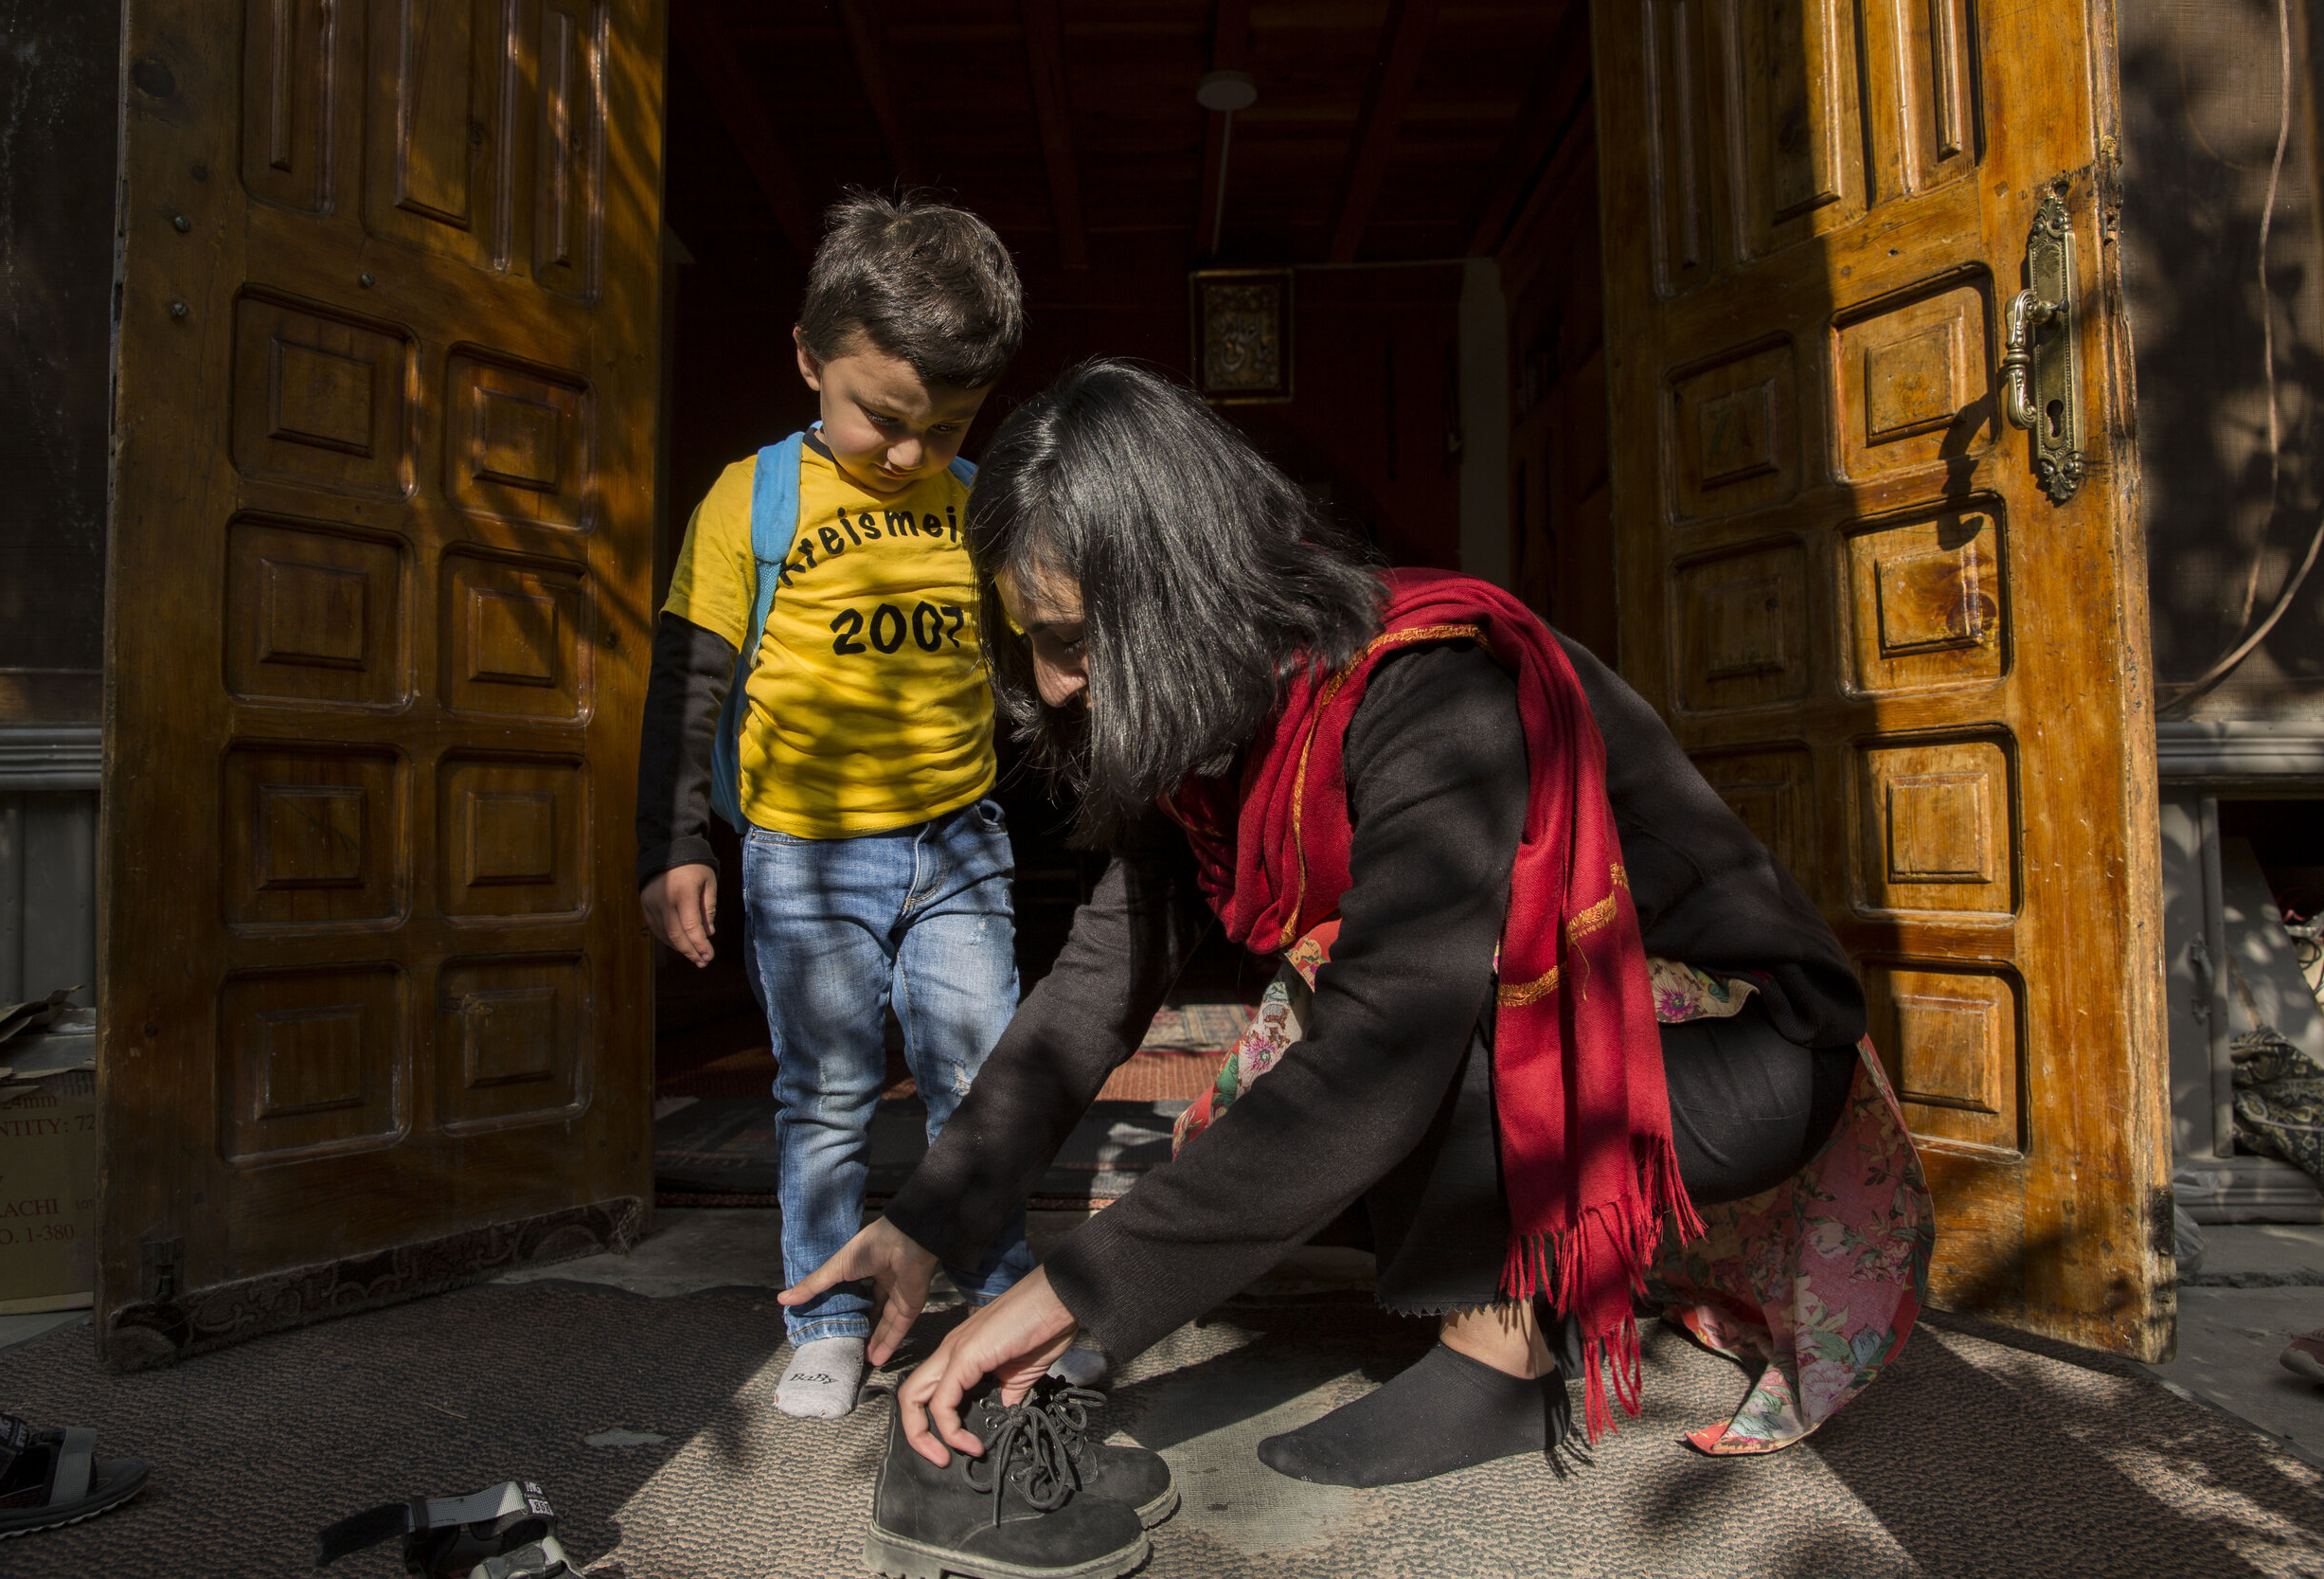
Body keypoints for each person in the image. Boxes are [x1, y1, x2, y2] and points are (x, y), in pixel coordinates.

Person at [786, 362, 1924, 1579]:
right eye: (1035, 645)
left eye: (1072, 643)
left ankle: (1500, 1370)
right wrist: (923, 1222)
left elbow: (1386, 1049)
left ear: (1182, 593)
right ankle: (1496, 1273)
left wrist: (1076, 1286)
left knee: (1397, 1013)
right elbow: (1094, 988)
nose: (1055, 684)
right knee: (1305, 1064)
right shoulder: (1203, 725)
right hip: (1567, 1043)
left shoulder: (1430, 686)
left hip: (1728, 1046)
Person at [636, 191, 1043, 1421]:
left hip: (960, 843)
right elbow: (688, 680)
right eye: (886, 419)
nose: (914, 455)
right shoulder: (749, 500)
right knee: (824, 1088)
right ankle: (825, 1310)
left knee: (983, 1070)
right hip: (806, 857)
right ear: (809, 357)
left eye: (953, 424)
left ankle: (1001, 1293)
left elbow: (1039, 664)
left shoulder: (977, 504)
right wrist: (672, 850)